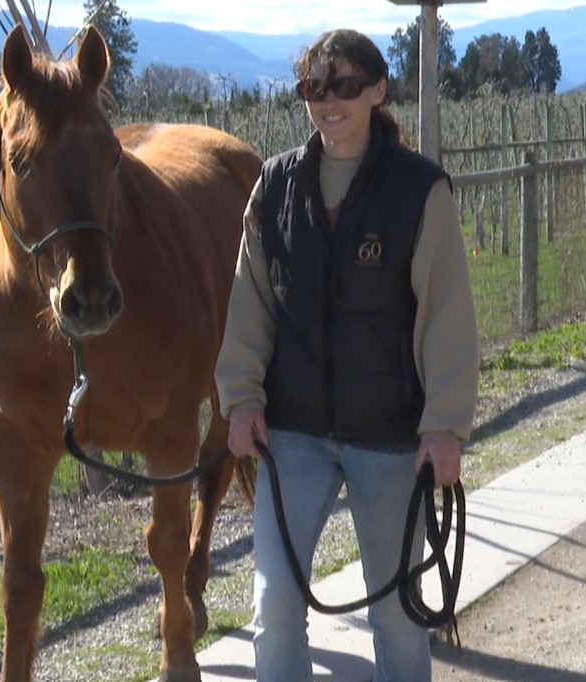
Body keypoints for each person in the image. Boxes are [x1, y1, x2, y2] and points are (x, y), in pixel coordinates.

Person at [214, 28, 478, 682]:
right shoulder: (272, 189)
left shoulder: (420, 191)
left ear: (377, 90)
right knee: (275, 605)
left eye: (344, 86)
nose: (328, 101)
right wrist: (240, 395)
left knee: (394, 615)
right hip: (293, 434)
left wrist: (444, 426)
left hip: (389, 437)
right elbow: (249, 303)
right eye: (313, 88)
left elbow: (448, 314)